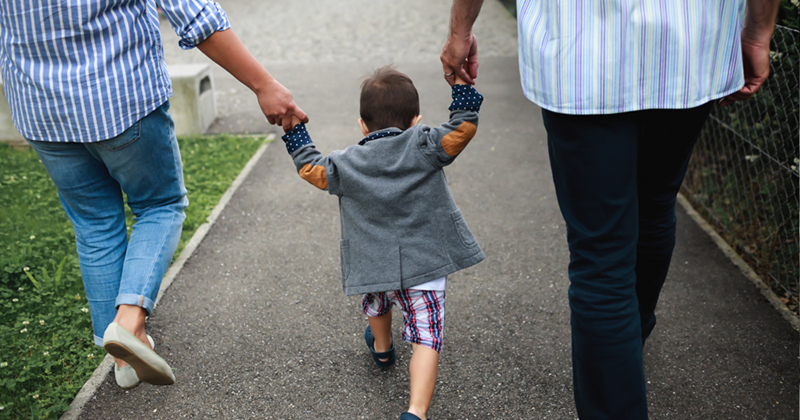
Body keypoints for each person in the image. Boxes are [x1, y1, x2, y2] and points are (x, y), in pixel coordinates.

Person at [439, 0, 780, 419]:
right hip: (689, 47)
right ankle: (624, 341)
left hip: (579, 53)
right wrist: (756, 31)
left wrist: (460, 31)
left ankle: (616, 349)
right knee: (654, 207)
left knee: (601, 254)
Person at [0, 0, 307, 389]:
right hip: (120, 100)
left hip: (41, 110)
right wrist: (264, 85)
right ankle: (129, 322)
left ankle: (123, 357)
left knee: (94, 224)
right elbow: (196, 16)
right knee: (160, 205)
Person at [279, 66, 485, 420]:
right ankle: (416, 411)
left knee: (377, 303)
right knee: (426, 337)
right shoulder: (425, 144)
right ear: (416, 119)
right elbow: (462, 128)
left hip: (374, 263)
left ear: (362, 124)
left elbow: (312, 169)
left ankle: (383, 347)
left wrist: (295, 131)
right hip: (427, 262)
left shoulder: (346, 164)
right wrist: (462, 89)